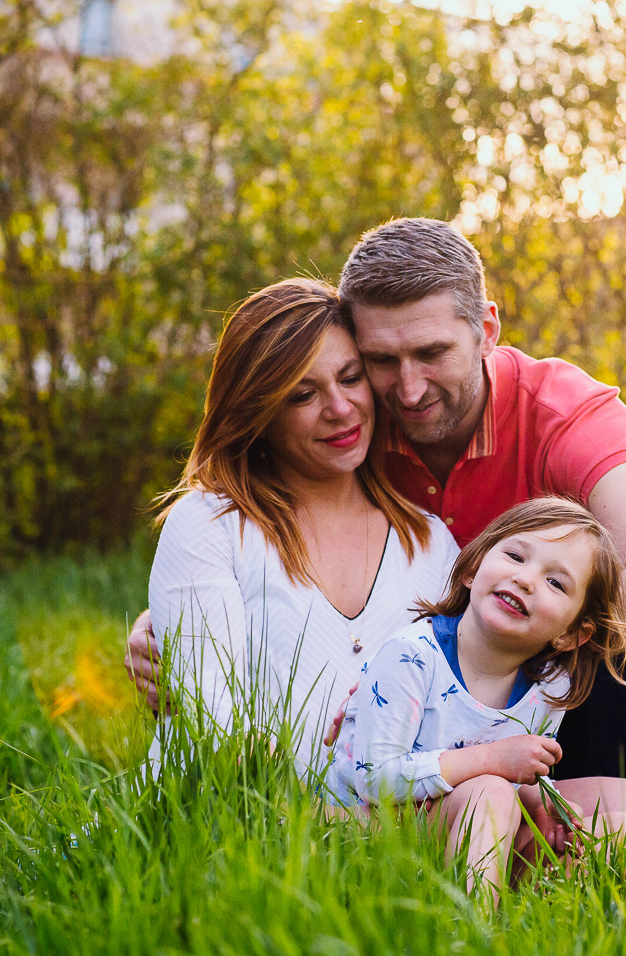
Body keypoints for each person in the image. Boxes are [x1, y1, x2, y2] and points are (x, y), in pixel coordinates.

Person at [129, 218, 626, 820]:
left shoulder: (564, 415)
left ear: (486, 330)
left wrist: (510, 638)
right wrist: (176, 613)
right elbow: (251, 537)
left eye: (432, 354)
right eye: (379, 360)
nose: (407, 390)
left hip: (538, 673)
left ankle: (620, 815)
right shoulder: (354, 432)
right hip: (409, 733)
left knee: (613, 602)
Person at [326, 498, 626, 900]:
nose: (526, 579)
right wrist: (492, 762)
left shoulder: (549, 686)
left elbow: (520, 776)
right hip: (368, 828)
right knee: (488, 792)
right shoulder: (411, 657)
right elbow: (374, 779)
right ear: (473, 569)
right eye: (515, 556)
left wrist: (542, 803)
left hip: (468, 822)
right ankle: (474, 928)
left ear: (572, 634)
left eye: (556, 583)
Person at [149, 278, 459, 772]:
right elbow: (214, 733)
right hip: (224, 830)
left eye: (351, 377)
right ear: (259, 411)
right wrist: (338, 824)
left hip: (390, 832)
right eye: (302, 395)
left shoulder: (429, 543)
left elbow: (456, 720)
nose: (339, 409)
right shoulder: (211, 526)